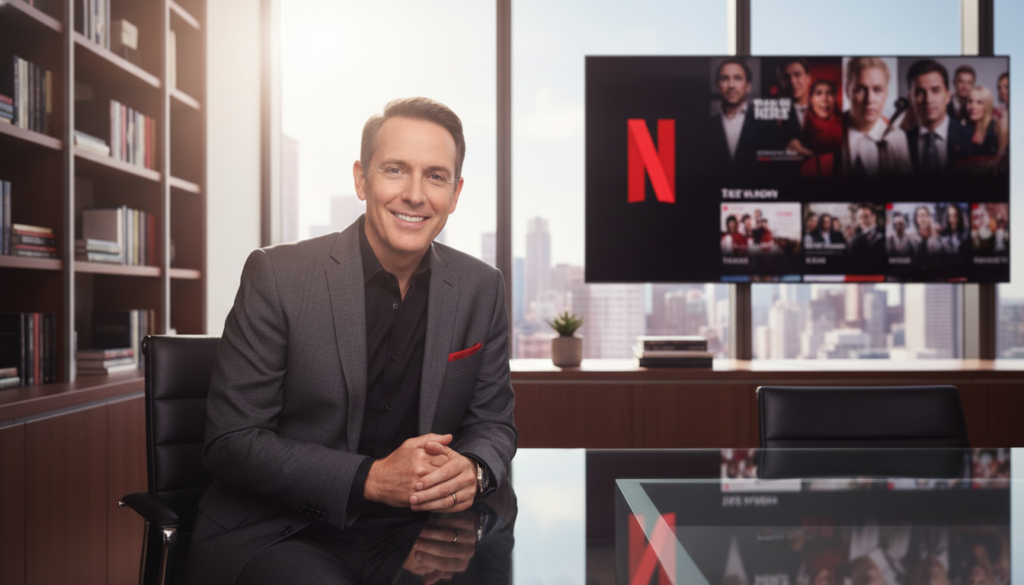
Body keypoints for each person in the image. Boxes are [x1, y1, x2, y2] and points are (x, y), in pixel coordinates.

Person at [188, 97, 518, 585]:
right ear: (362, 179)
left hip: (421, 533)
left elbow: (494, 423)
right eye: (395, 170)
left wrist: (474, 469)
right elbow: (231, 442)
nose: (414, 194)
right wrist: (370, 478)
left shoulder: (481, 287)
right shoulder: (278, 276)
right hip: (287, 531)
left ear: (456, 191)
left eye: (435, 176)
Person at [842, 57, 912, 176]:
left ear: (886, 94)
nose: (869, 99)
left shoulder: (897, 137)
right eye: (860, 90)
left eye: (877, 89)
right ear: (848, 91)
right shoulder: (830, 133)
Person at [709, 58, 779, 169]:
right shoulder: (706, 127)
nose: (731, 85)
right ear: (718, 85)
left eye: (737, 78)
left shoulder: (767, 125)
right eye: (725, 78)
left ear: (748, 86)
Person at [905, 60, 973, 174]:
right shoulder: (903, 141)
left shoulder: (971, 137)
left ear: (947, 96)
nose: (928, 99)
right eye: (920, 92)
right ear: (911, 98)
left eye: (935, 90)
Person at [776, 57, 812, 141]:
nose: (792, 81)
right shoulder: (778, 115)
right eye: (787, 77)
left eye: (797, 74)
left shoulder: (823, 109)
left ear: (808, 78)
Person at [965, 86, 1002, 158]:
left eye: (979, 102)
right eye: (970, 101)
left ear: (987, 106)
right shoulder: (964, 129)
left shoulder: (995, 129)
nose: (973, 106)